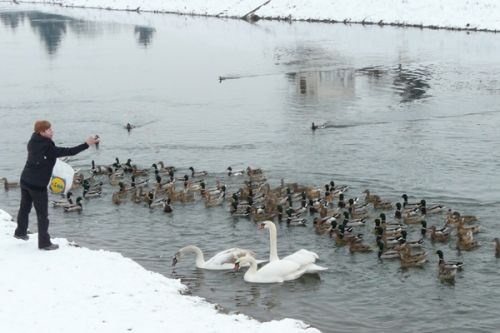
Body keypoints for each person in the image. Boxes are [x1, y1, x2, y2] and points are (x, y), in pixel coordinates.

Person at [14, 120, 99, 250]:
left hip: (25, 180)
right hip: (37, 185)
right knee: (42, 215)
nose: (52, 131)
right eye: (49, 130)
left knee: (24, 208)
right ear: (42, 132)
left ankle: (20, 233)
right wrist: (86, 144)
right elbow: (70, 151)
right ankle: (44, 243)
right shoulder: (47, 147)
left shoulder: (32, 141)